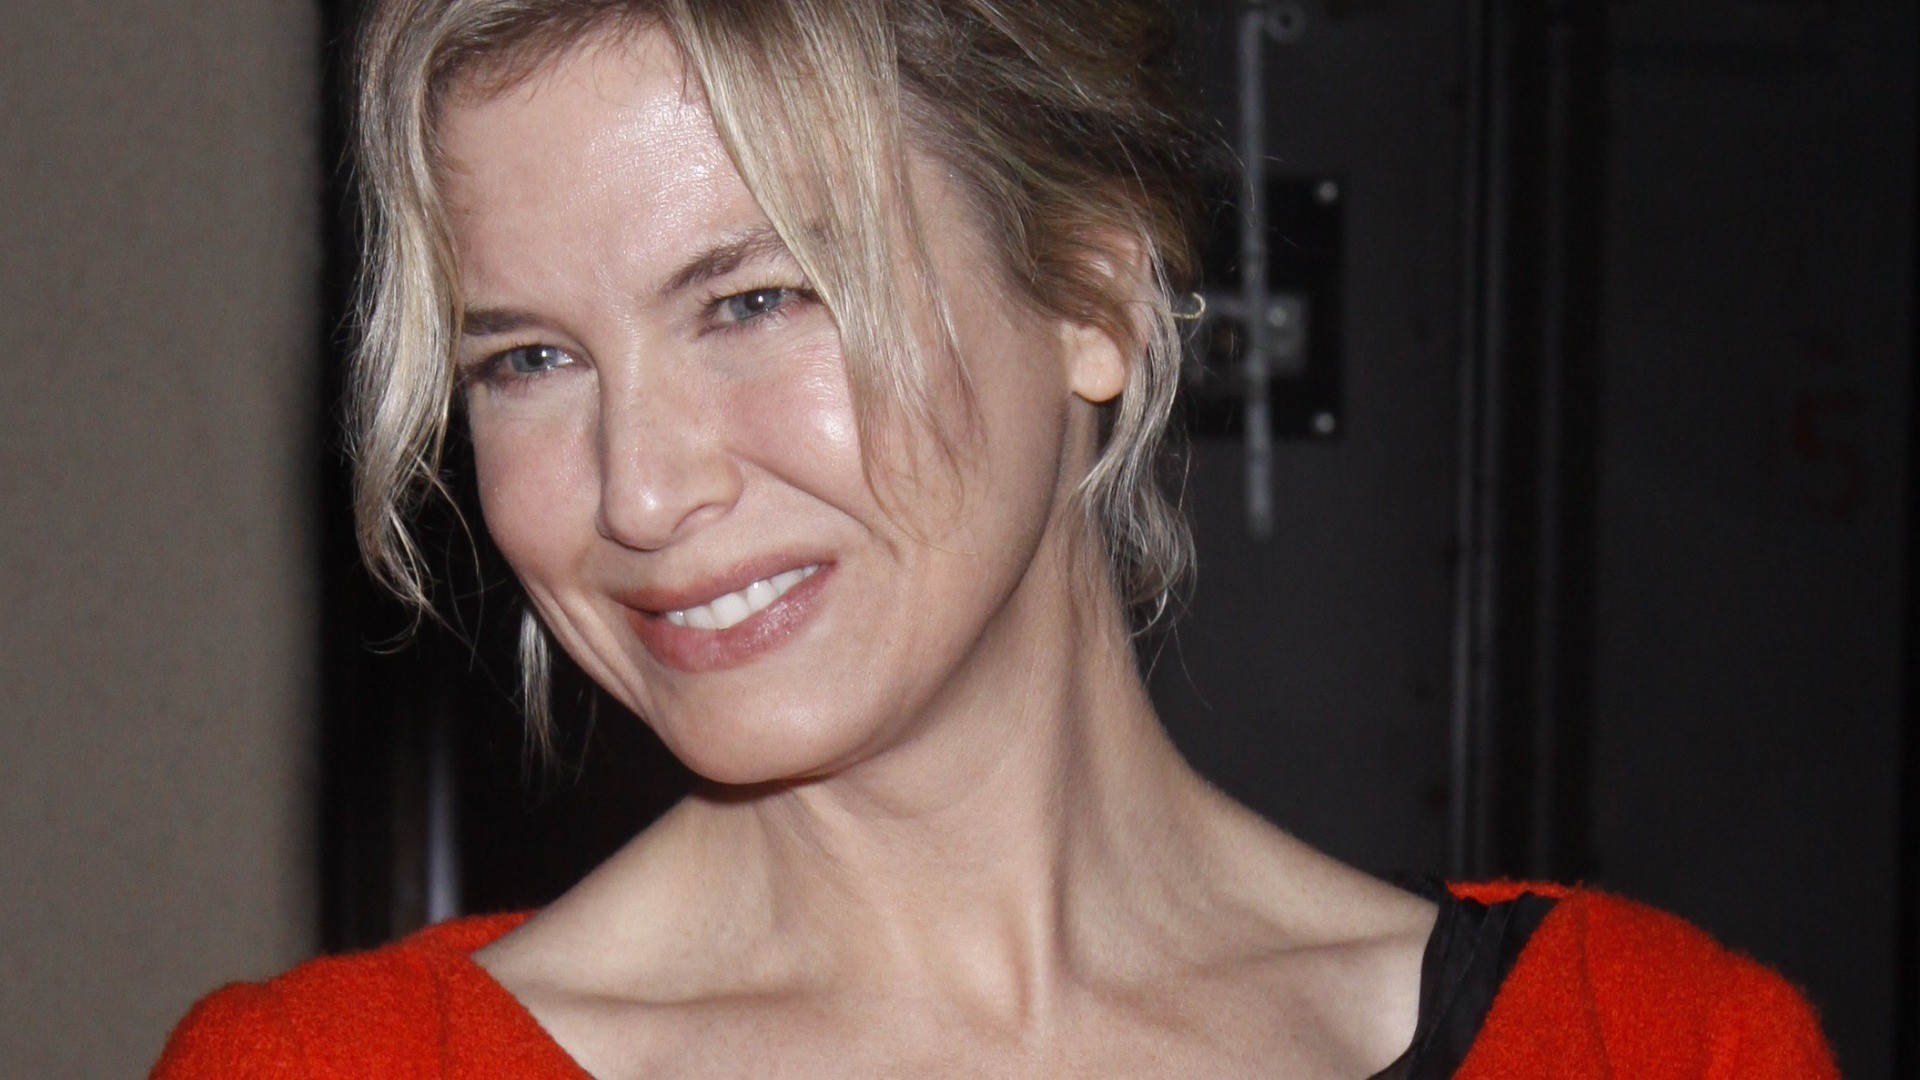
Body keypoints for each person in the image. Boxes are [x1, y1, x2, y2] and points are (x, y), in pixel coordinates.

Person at [154, 1, 1840, 1076]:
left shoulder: (1651, 1044)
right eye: (528, 360)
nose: (639, 493)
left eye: (755, 301)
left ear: (1095, 295)